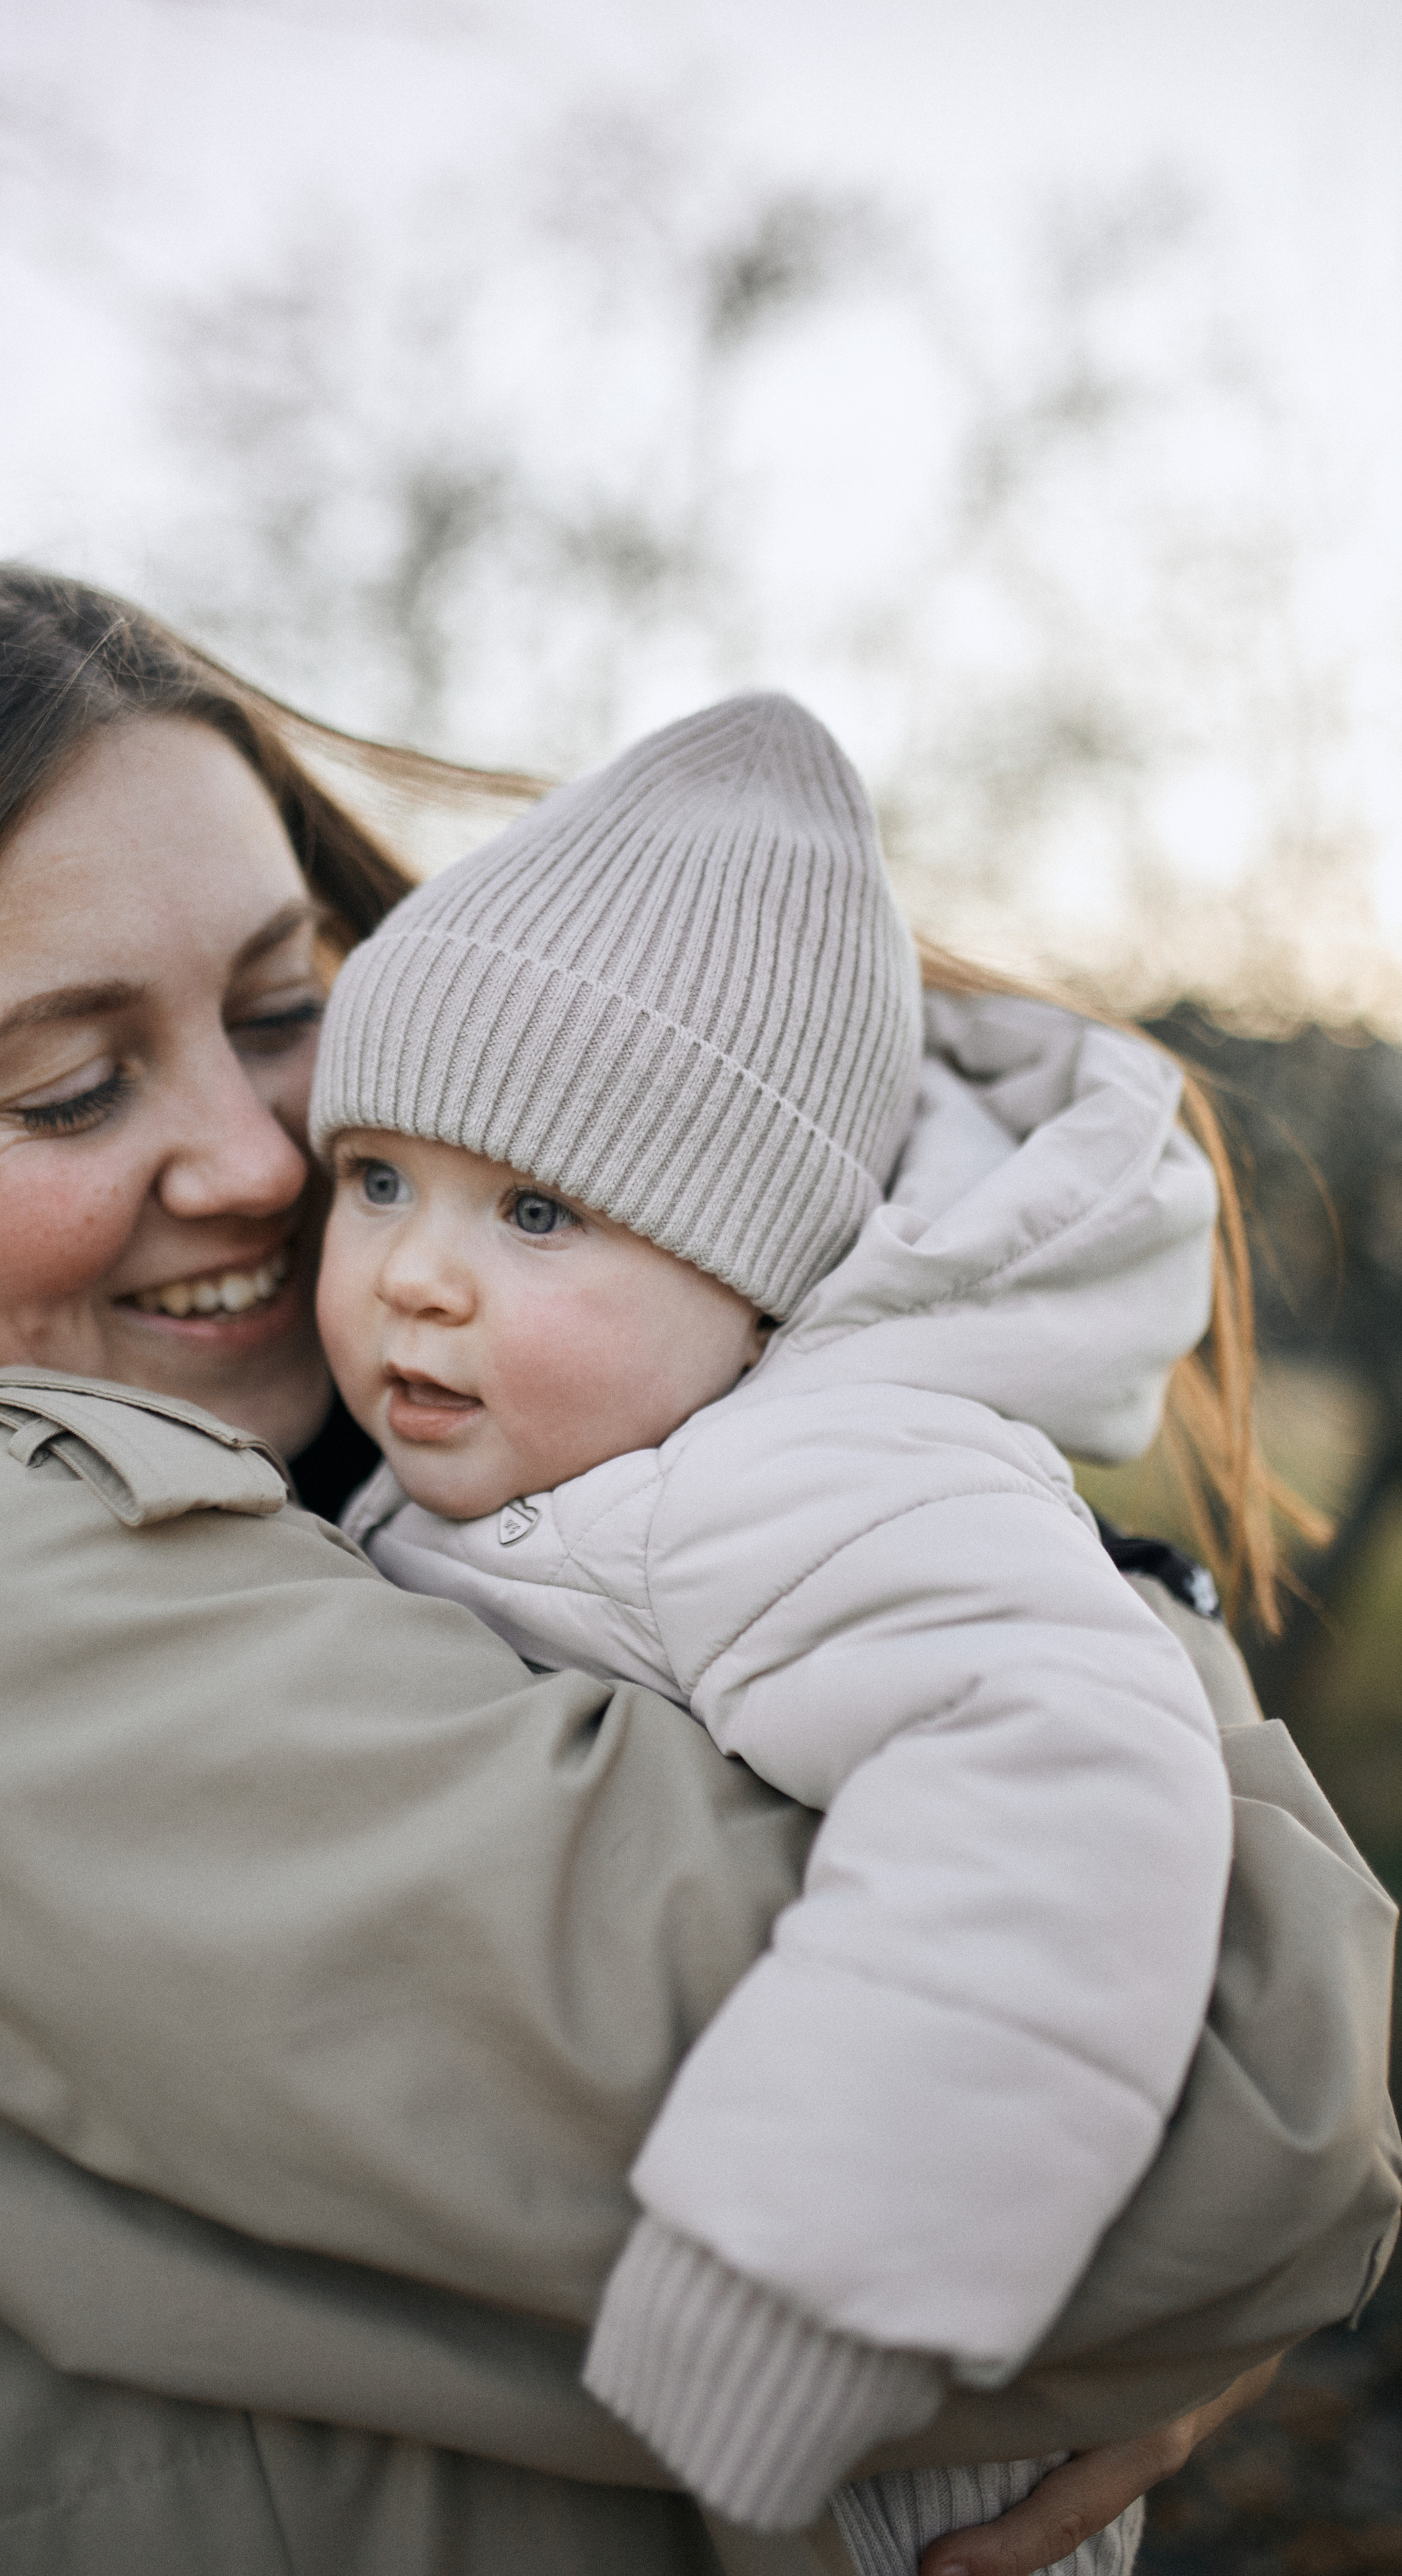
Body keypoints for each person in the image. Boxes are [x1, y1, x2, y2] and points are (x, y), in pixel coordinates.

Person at [0, 564, 1391, 2576]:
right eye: (70, 1087)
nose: (257, 1160)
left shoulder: (405, 1498)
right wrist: (918, 1425)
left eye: (282, 1009)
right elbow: (1180, 2148)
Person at [304, 691, 1236, 2560]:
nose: (416, 1265)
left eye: (540, 1208)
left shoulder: (819, 1471)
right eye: (379, 1177)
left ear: (758, 1283)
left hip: (868, 2465)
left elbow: (1063, 1783)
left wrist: (789, 2289)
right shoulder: (577, 1442)